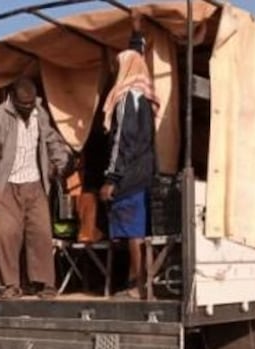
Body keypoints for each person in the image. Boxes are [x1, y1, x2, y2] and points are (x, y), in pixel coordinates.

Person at [0, 78, 71, 300]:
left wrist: (60, 162)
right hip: (6, 185)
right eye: (24, 105)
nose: (28, 108)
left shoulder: (40, 113)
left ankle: (44, 283)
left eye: (31, 104)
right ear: (12, 99)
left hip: (35, 183)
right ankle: (9, 285)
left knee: (40, 233)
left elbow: (52, 141)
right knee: (6, 235)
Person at [100, 14, 158, 299]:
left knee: (132, 234)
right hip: (144, 173)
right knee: (139, 233)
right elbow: (139, 58)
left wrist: (111, 179)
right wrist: (137, 35)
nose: (114, 71)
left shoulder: (125, 100)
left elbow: (122, 141)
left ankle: (136, 285)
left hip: (129, 176)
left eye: (117, 66)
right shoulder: (144, 94)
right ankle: (141, 283)